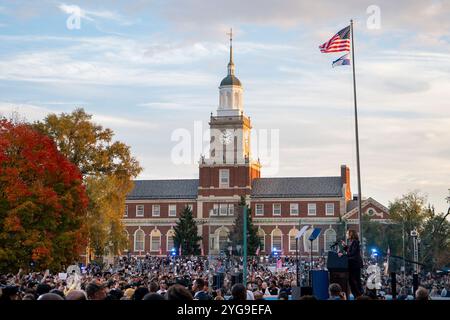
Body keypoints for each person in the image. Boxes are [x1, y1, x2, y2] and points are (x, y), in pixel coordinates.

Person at [340, 229, 363, 298]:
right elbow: (350, 251)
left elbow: (352, 253)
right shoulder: (353, 242)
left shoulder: (355, 242)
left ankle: (359, 296)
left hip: (354, 265)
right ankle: (358, 296)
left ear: (351, 234)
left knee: (354, 281)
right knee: (353, 282)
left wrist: (343, 255)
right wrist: (345, 246)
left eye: (347, 233)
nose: (346, 235)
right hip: (353, 264)